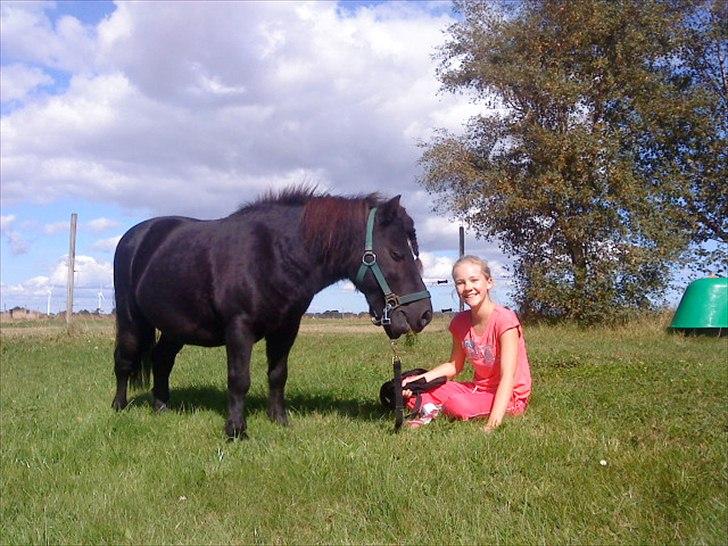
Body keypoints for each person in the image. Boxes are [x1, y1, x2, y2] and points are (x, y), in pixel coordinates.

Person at [402, 255, 531, 431]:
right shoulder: (459, 322)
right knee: (412, 390)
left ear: (489, 282)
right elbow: (454, 366)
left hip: (510, 396)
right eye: (460, 282)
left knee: (458, 405)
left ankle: (432, 409)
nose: (468, 287)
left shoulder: (505, 320)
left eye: (474, 280)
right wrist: (417, 381)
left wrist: (492, 424)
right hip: (477, 389)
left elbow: (508, 376)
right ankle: (431, 410)